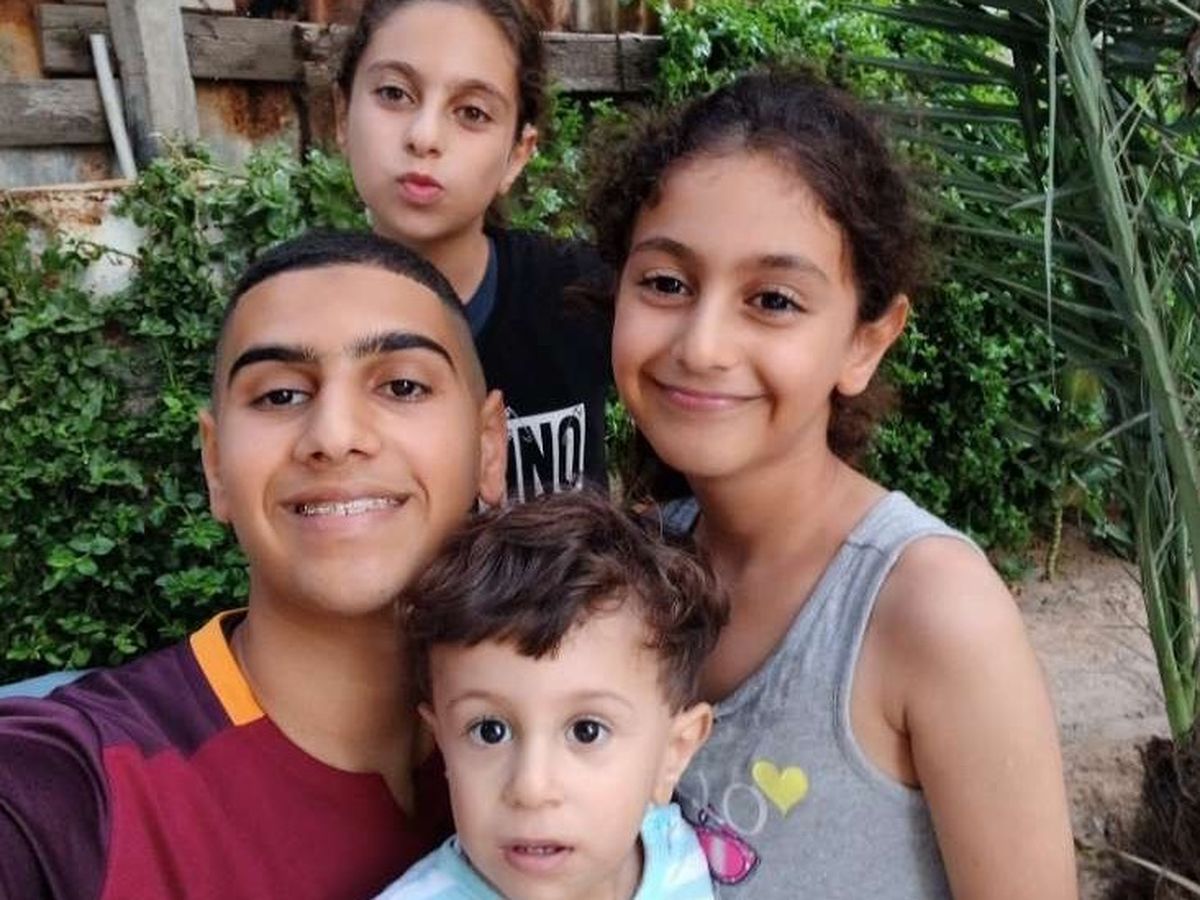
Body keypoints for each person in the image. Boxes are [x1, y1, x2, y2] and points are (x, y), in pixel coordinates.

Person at [587, 70, 1078, 898]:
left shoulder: (929, 611)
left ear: (865, 343)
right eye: (666, 283)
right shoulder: (628, 573)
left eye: (773, 300)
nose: (702, 345)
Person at [0, 230, 508, 899]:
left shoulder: (585, 736)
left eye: (403, 385)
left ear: (488, 446)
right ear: (215, 464)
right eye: (280, 396)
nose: (334, 436)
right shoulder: (73, 784)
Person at [375, 490, 725, 899]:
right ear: (443, 744)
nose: (531, 787)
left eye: (587, 731)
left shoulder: (676, 859)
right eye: (489, 731)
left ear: (673, 752)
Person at [336, 0, 612, 502]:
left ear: (517, 154)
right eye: (394, 93)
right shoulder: (298, 321)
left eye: (472, 112)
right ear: (341, 117)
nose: (424, 137)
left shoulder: (577, 293)